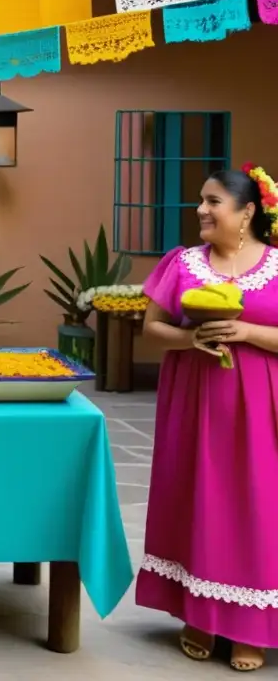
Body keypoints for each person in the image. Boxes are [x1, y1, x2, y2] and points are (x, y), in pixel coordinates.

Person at [137, 165, 278, 672]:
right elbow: (152, 326)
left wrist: (247, 333)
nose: (201, 209)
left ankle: (250, 625)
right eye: (202, 199)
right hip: (196, 402)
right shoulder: (183, 262)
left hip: (263, 409)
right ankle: (198, 614)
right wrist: (189, 340)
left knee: (258, 508)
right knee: (197, 499)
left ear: (246, 213)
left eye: (213, 201)